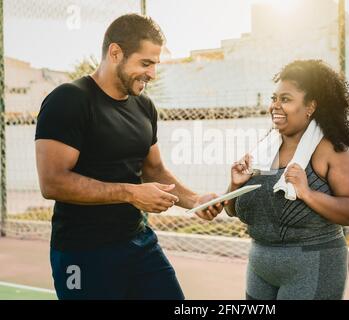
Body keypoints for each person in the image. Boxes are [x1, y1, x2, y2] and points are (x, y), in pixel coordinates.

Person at [35, 14, 226, 300]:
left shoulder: (145, 106)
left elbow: (154, 169)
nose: (152, 74)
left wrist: (194, 200)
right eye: (145, 63)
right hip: (83, 253)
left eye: (155, 64)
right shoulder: (68, 100)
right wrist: (131, 193)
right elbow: (52, 183)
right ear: (115, 53)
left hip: (140, 244)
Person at [224, 59, 349, 300]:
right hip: (260, 266)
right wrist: (235, 185)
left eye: (286, 99)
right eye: (274, 98)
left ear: (311, 106)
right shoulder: (264, 150)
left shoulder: (334, 153)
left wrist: (308, 193)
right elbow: (234, 211)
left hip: (312, 266)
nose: (275, 106)